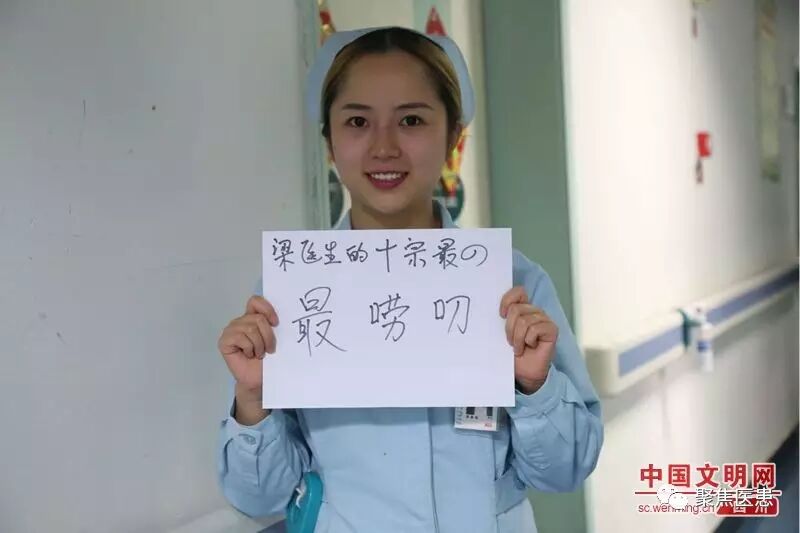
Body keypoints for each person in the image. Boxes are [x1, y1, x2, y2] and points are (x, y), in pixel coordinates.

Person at [216, 26, 603, 533]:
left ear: (453, 137)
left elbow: (567, 470)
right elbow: (259, 498)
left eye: (412, 120)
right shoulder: (291, 294)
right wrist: (253, 402)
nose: (384, 147)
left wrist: (535, 386)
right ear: (330, 142)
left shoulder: (512, 283)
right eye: (357, 121)